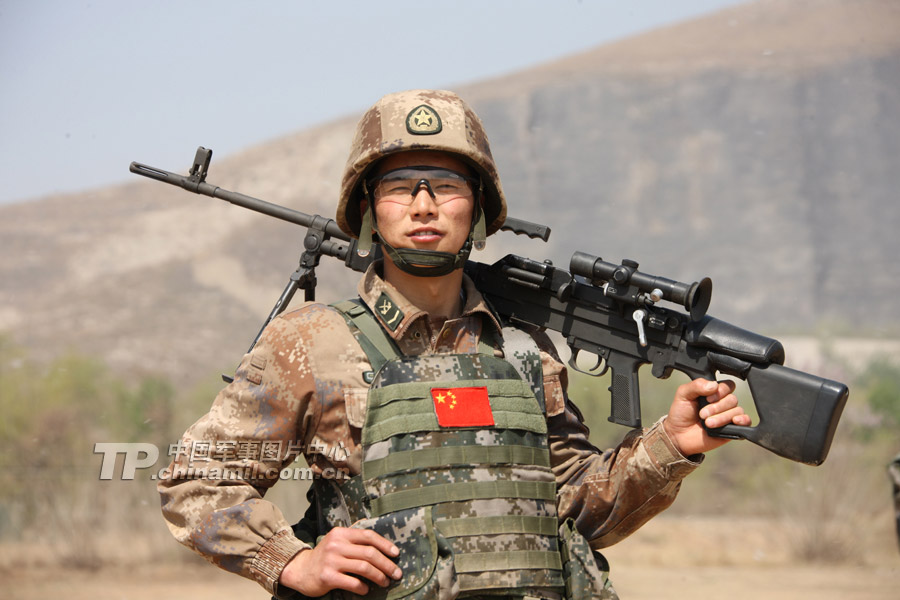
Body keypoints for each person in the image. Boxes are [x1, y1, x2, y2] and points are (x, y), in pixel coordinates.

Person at [158, 89, 750, 599]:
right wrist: (290, 561)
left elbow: (572, 510)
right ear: (368, 209)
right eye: (399, 187)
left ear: (480, 210)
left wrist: (670, 445)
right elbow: (196, 479)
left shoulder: (523, 351)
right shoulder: (311, 342)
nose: (423, 205)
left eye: (445, 185)